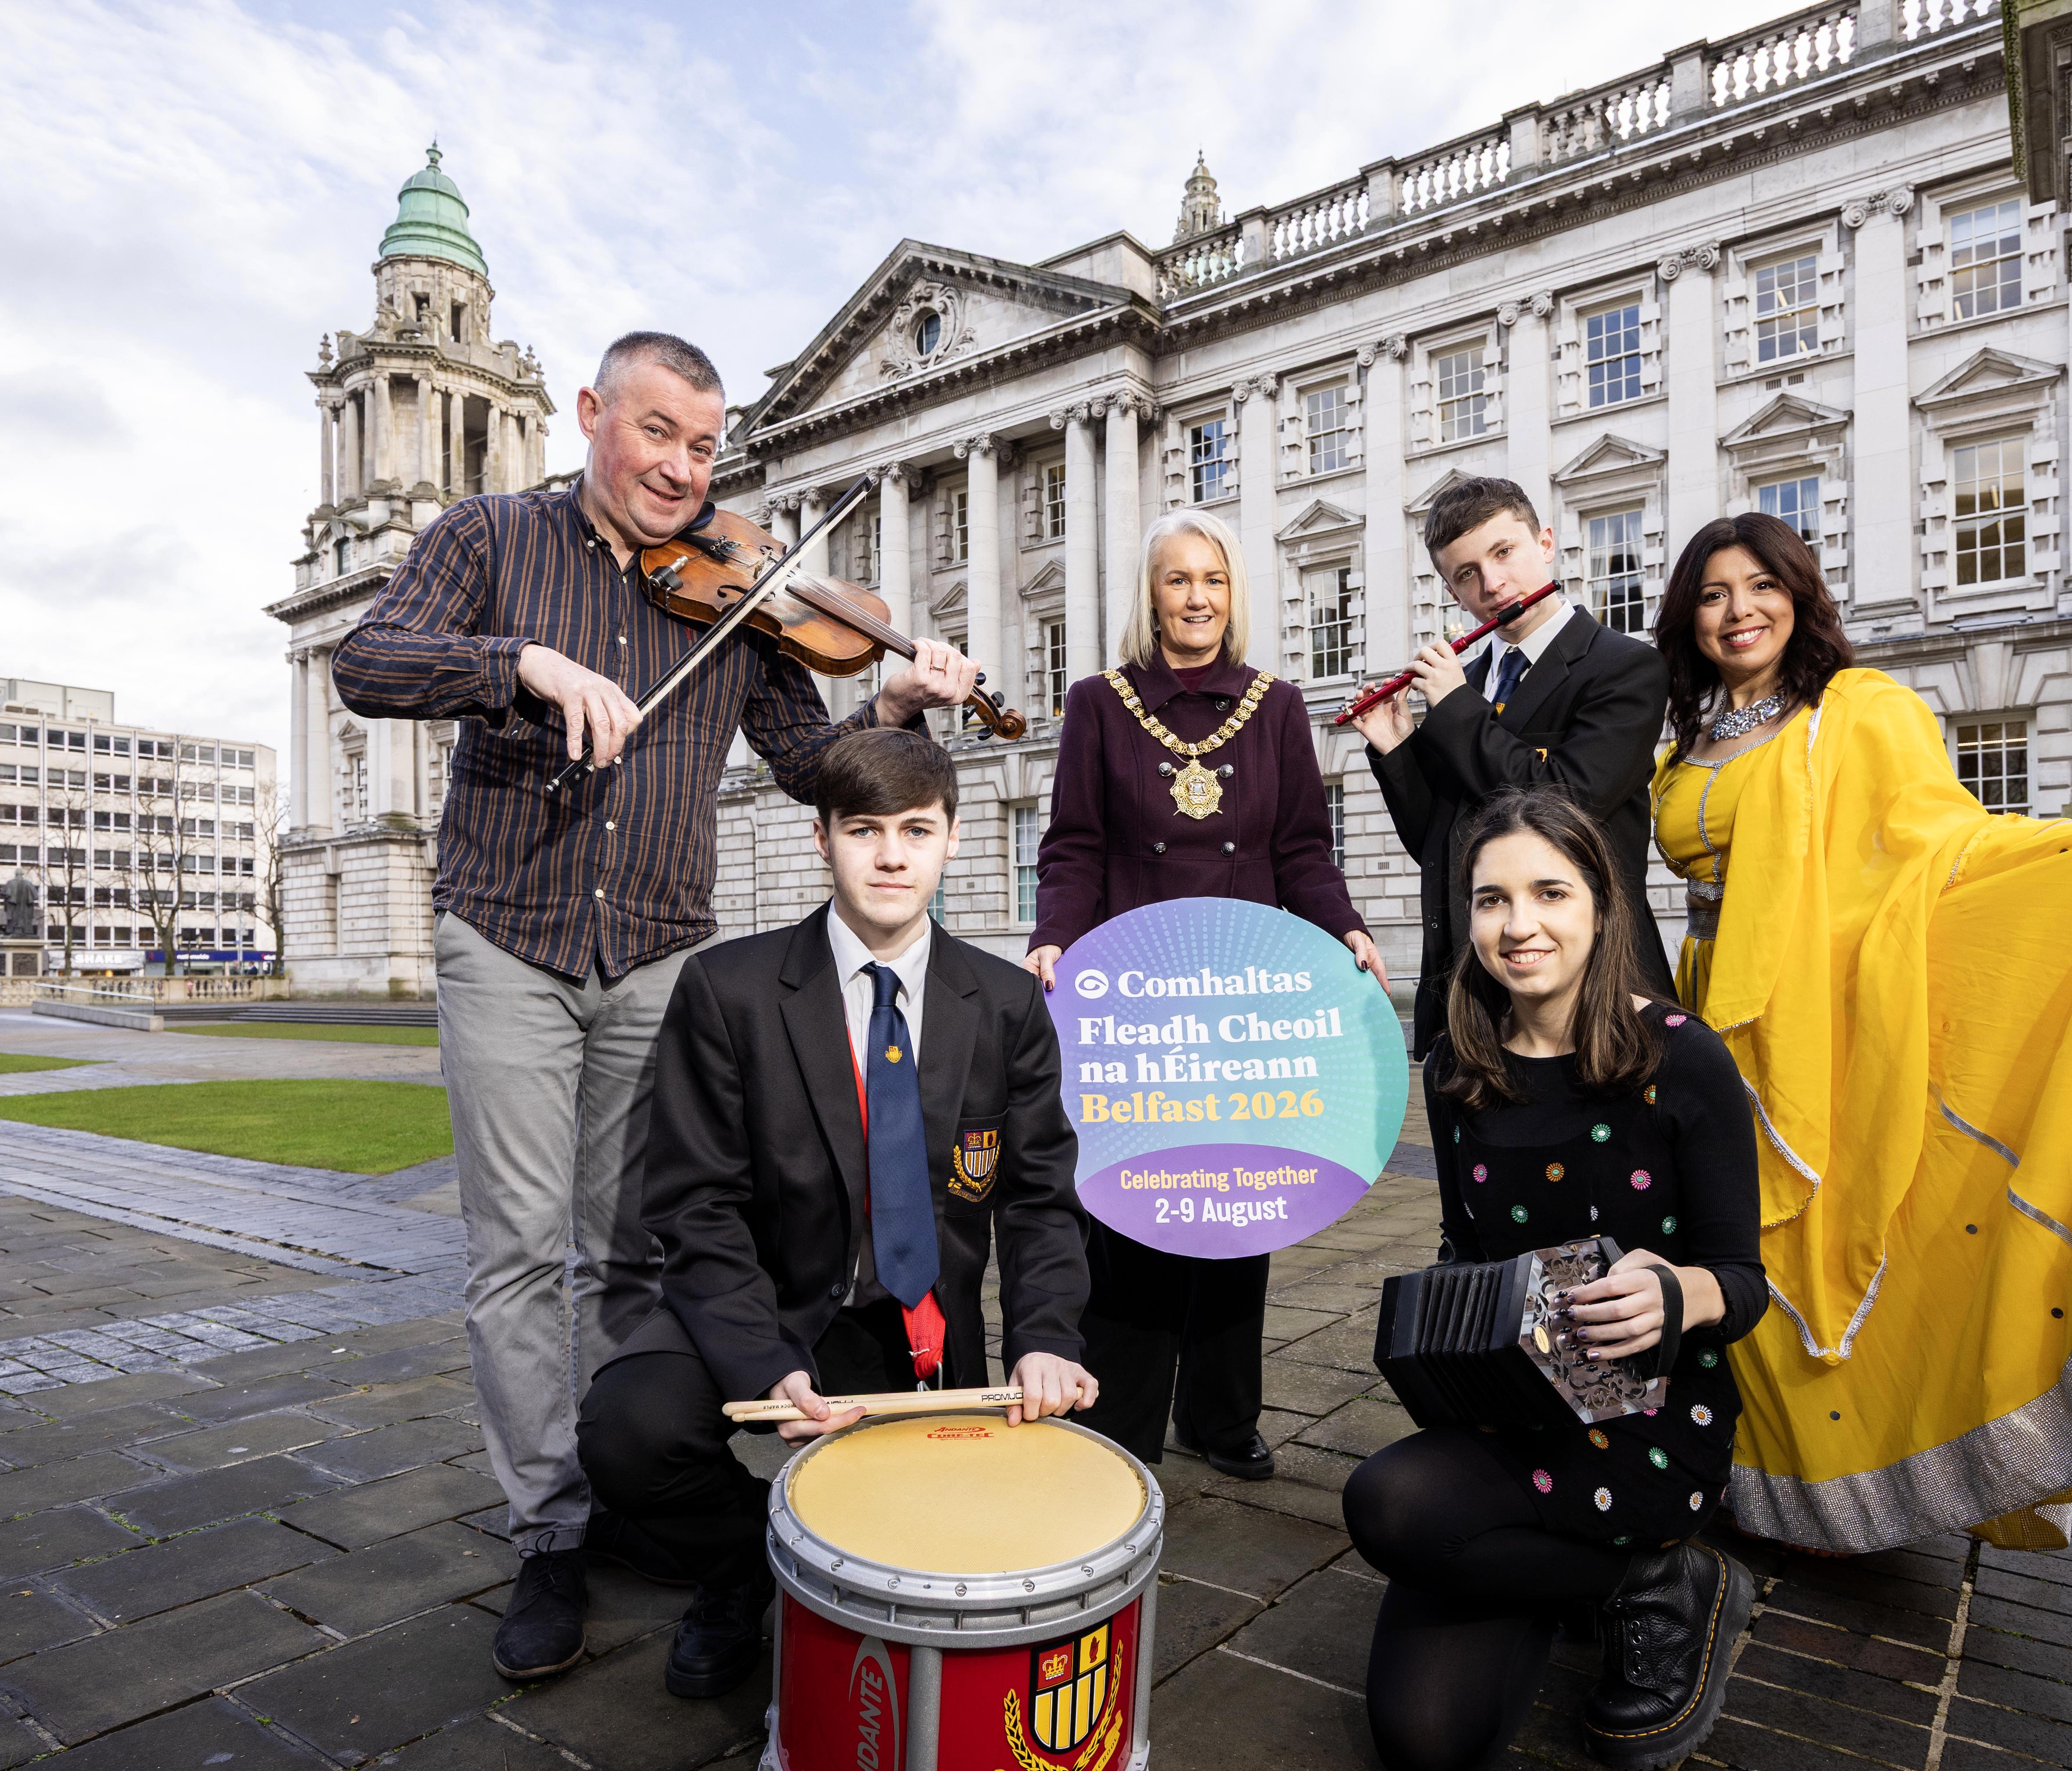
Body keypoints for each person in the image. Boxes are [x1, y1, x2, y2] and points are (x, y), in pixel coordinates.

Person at [330, 330, 981, 1681]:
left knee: (629, 1250)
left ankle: (629, 1484)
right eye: (659, 433)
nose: (684, 467)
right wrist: (517, 664)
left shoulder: (736, 598)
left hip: (658, 955)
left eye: (704, 444)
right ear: (590, 415)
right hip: (507, 935)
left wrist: (901, 703)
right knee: (517, 1251)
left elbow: (817, 762)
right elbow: (369, 662)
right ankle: (550, 1533)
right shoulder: (490, 536)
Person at [1647, 514, 2072, 1555]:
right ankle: (1768, 1480)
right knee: (1734, 1230)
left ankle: (1866, 1481)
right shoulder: (1686, 741)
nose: (1737, 610)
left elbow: (1940, 834)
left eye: (1759, 585)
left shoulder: (1857, 709)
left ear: (1798, 595)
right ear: (1689, 614)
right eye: (1714, 593)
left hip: (1830, 1010)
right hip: (1713, 1011)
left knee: (1843, 1228)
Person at [578, 731, 1099, 1695]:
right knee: (628, 1430)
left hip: (912, 1322)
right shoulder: (727, 990)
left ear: (951, 840)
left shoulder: (1005, 1004)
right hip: (763, 1302)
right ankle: (743, 1566)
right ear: (822, 838)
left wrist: (1043, 1336)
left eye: (915, 829)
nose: (890, 854)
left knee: (943, 1554)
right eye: (863, 829)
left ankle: (825, 1553)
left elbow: (1037, 1201)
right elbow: (694, 1203)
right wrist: (760, 1362)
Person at [1344, 787, 1767, 1771]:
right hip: (1513, 1415)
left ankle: (1669, 1570)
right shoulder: (1455, 1067)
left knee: (1391, 1505)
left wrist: (1677, 1295)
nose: (1518, 925)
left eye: (1547, 892)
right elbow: (1466, 1246)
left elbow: (1744, 1280)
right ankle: (1602, 1573)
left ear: (1599, 905)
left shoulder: (1683, 1057)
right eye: (1490, 900)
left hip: (1651, 1419)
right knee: (1424, 1746)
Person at [1025, 507, 1386, 1479]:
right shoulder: (1097, 701)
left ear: (1234, 594)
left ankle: (1222, 1416)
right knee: (1134, 1210)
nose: (1196, 597)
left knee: (1238, 1208)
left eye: (1213, 580)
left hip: (1247, 1003)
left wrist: (1345, 925)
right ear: (1152, 595)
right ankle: (1123, 1421)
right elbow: (1075, 847)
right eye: (1178, 579)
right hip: (1138, 1005)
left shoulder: (1275, 704)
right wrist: (1051, 938)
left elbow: (1302, 846)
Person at [1351, 476, 1672, 1056]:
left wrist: (1452, 708)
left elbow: (1566, 802)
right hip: (1471, 998)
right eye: (1466, 573)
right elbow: (1440, 841)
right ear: (1453, 593)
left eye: (1504, 553)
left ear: (1545, 543)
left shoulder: (1625, 667)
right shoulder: (1467, 685)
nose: (1493, 585)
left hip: (1591, 996)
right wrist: (1397, 749)